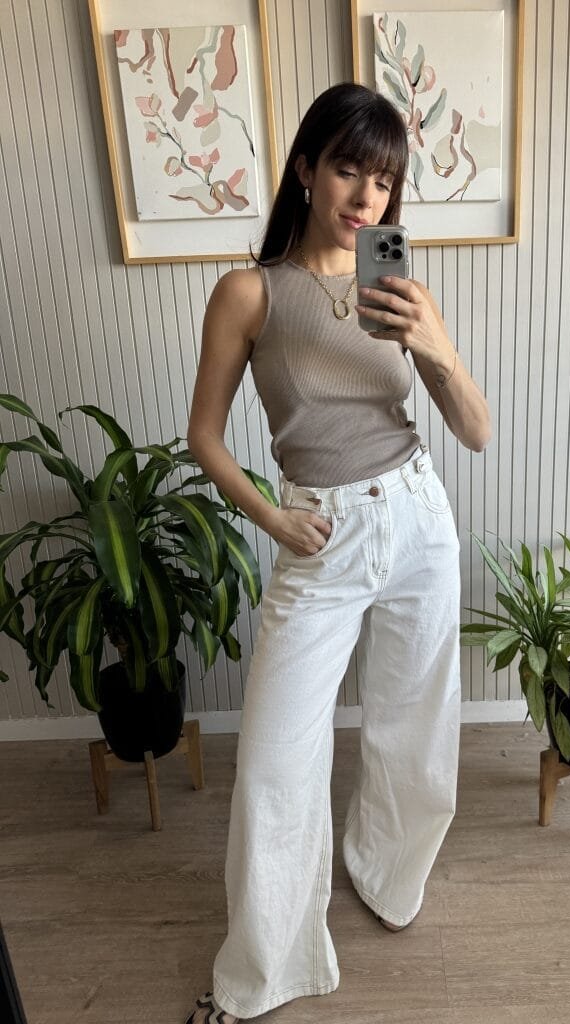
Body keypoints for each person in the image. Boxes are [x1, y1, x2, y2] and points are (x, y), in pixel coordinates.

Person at [183, 82, 491, 1024]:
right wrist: (272, 520)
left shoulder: (399, 289)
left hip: (417, 517)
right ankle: (262, 971)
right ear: (307, 170)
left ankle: (386, 873)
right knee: (276, 761)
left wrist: (434, 347)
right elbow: (204, 437)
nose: (367, 196)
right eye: (350, 169)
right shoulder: (249, 293)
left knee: (415, 724)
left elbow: (475, 431)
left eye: (385, 180)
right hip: (318, 531)